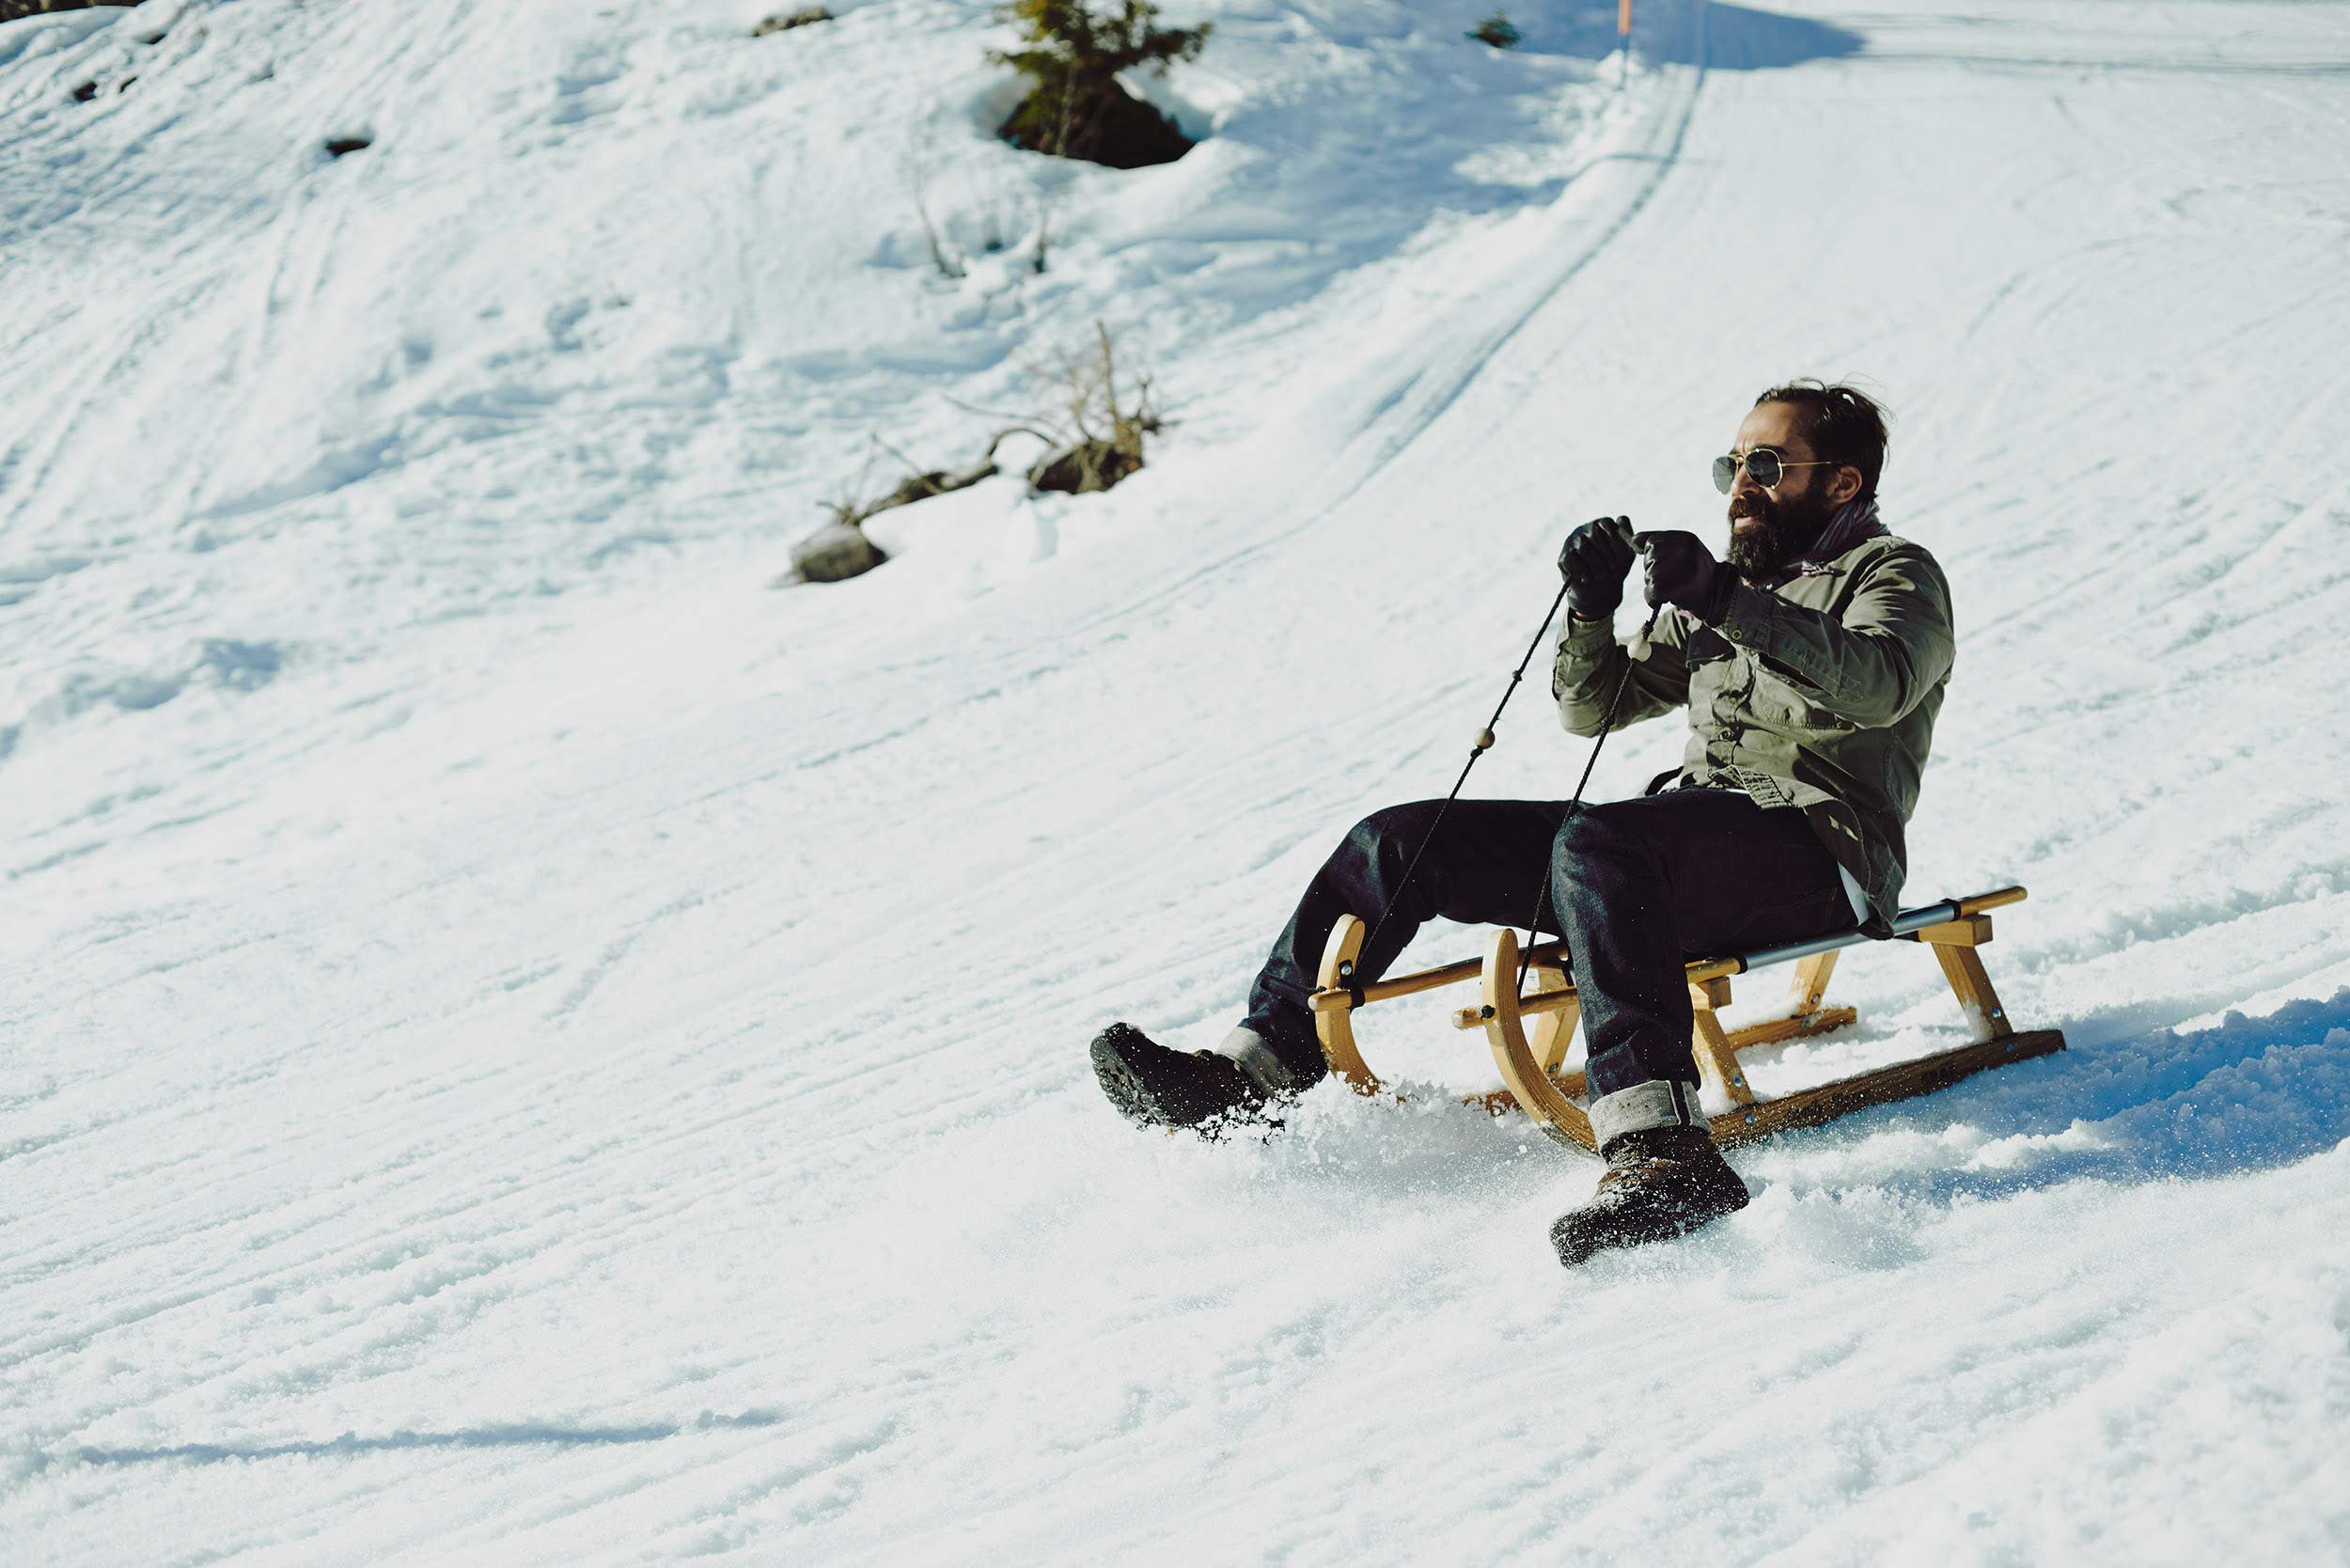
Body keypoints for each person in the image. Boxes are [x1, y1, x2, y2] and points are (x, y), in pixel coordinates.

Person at [1089, 381, 1954, 1266]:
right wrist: (1592, 608)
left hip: (1818, 855)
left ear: (1842, 484)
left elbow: (1878, 684)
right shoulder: (1733, 590)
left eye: (1765, 466)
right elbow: (1596, 708)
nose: (1740, 484)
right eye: (1732, 464)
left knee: (1602, 840)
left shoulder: (1896, 576)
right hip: (1668, 850)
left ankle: (1663, 1151)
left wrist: (1728, 603)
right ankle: (1251, 1073)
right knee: (1404, 837)